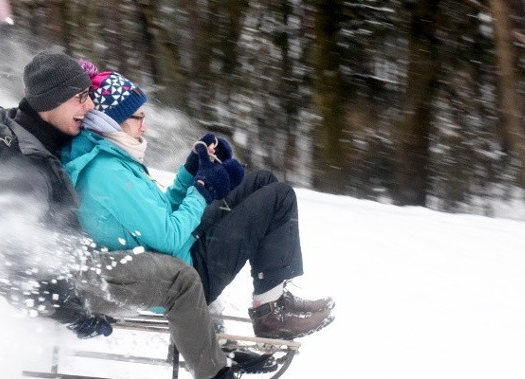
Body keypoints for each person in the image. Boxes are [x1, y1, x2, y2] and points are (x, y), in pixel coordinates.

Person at [0, 49, 305, 379]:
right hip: (72, 277)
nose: (89, 106)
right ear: (50, 101)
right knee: (179, 278)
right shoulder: (23, 164)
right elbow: (8, 258)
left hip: (80, 258)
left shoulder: (41, 133)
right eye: (80, 98)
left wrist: (190, 178)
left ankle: (215, 348)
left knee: (188, 249)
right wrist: (70, 310)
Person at [61, 64, 335, 340]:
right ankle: (271, 314)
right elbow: (166, 237)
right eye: (138, 117)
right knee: (279, 197)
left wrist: (190, 173)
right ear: (113, 121)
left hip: (181, 250)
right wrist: (201, 191)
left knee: (262, 181)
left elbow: (160, 214)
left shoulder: (114, 159)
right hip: (186, 272)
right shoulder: (109, 174)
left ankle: (274, 298)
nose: (145, 125)